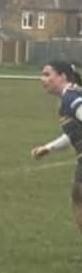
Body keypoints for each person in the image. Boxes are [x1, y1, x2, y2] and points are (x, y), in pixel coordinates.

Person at [31, 60, 82, 231]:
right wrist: (49, 147)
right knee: (77, 196)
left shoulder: (72, 98)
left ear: (62, 76)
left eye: (47, 74)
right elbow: (73, 134)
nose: (42, 79)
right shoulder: (68, 99)